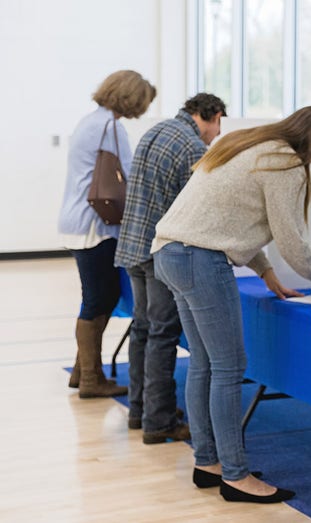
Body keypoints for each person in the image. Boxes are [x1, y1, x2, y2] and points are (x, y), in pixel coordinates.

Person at [151, 105, 311, 503]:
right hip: (200, 259)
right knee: (230, 367)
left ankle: (209, 462)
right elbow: (290, 239)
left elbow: (230, 217)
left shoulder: (252, 145)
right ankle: (235, 475)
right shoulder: (285, 161)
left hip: (170, 253)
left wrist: (267, 273)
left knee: (204, 363)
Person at [114, 93, 227, 444]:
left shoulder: (156, 130)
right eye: (219, 122)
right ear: (207, 116)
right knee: (163, 334)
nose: (218, 133)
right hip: (160, 250)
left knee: (143, 329)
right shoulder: (193, 148)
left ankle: (139, 410)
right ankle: (159, 422)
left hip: (132, 243)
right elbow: (195, 211)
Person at [59, 70, 157, 399]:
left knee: (99, 297)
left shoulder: (90, 121)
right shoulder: (111, 127)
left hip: (77, 221)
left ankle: (82, 371)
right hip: (95, 227)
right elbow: (131, 174)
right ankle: (90, 378)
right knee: (98, 299)